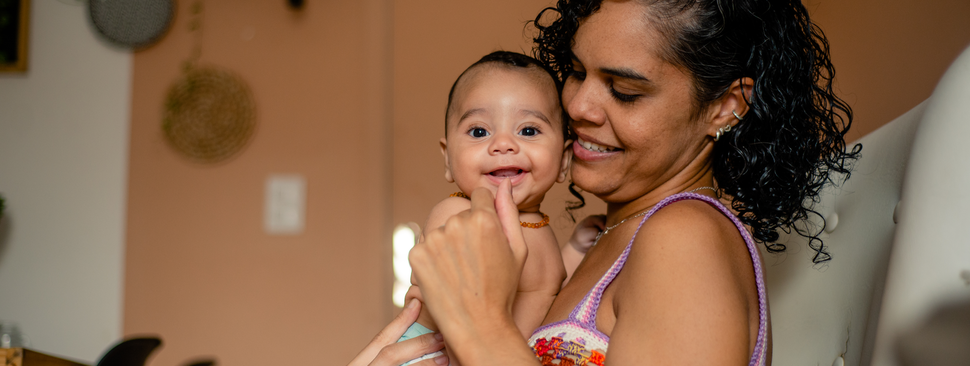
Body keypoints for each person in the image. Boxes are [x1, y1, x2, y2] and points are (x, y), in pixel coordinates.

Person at [352, 0, 858, 365]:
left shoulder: (685, 240)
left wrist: (480, 322)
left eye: (623, 90)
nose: (575, 107)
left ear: (725, 106)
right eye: (575, 72)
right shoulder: (604, 237)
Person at [393, 51, 580, 365]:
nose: (503, 143)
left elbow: (543, 292)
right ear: (448, 159)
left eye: (528, 130)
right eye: (479, 132)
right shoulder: (457, 217)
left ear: (563, 161)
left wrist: (575, 250)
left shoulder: (539, 228)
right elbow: (463, 316)